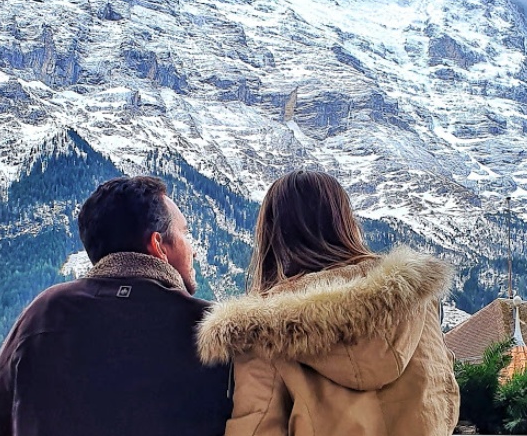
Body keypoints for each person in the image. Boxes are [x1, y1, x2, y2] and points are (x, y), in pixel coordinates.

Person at [197, 169, 460, 436]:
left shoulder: (265, 328)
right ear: (346, 223)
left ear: (272, 235)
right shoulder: (416, 302)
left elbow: (256, 427)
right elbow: (443, 399)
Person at [0, 176, 232, 436]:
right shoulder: (210, 327)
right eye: (185, 233)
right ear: (158, 245)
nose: (193, 250)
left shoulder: (46, 311)